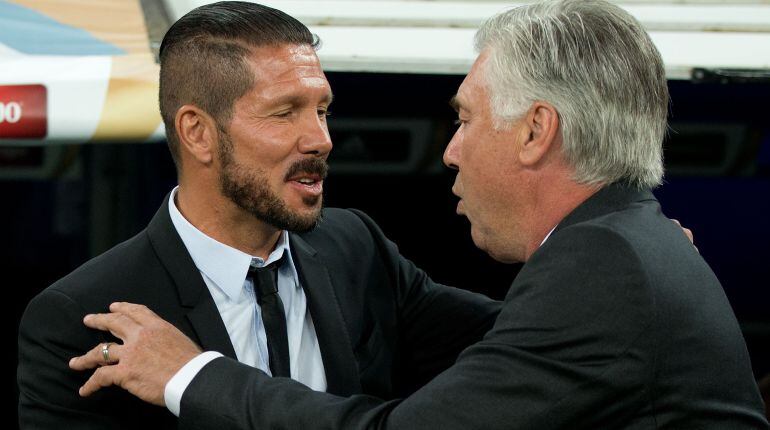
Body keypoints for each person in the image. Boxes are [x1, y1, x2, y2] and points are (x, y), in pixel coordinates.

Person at [68, 0, 770, 429]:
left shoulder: (607, 264)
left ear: (535, 131)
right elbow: (518, 346)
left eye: (464, 119)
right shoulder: (624, 257)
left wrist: (190, 376)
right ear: (197, 132)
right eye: (286, 112)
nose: (451, 152)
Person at [16, 2, 501, 428]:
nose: (321, 139)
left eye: (322, 110)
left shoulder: (355, 246)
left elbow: (529, 338)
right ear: (198, 133)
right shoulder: (84, 315)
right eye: (285, 112)